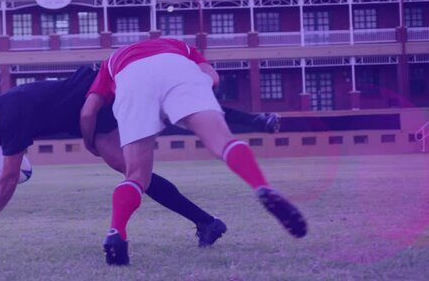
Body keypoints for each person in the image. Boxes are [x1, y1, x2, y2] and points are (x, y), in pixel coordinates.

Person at [0, 66, 280, 246]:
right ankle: (208, 223)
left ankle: (254, 120)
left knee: (172, 110)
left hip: (99, 95)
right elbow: (0, 168)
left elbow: (10, 174)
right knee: (137, 177)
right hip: (92, 119)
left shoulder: (10, 112)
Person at [80, 38, 307, 266]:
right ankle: (261, 186)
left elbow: (88, 112)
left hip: (131, 78)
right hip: (178, 69)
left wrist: (90, 143)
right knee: (223, 141)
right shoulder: (179, 45)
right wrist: (188, 95)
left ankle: (116, 231)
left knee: (136, 176)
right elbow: (213, 78)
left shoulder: (110, 62)